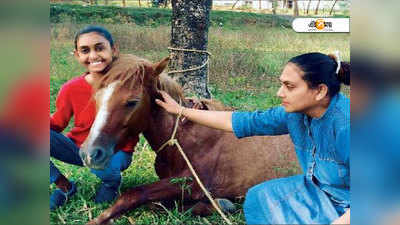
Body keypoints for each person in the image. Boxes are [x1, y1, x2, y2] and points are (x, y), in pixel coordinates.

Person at [155, 52, 350, 224]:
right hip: (318, 192)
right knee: (259, 197)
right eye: (281, 84)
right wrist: (181, 110)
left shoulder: (349, 126)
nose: (279, 93)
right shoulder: (295, 114)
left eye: (289, 86)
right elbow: (242, 121)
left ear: (320, 91)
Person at [50, 25, 138, 210]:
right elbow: (57, 123)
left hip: (116, 151)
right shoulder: (71, 88)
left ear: (113, 50)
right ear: (77, 55)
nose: (93, 55)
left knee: (98, 166)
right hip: (79, 148)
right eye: (85, 50)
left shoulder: (127, 85)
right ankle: (64, 186)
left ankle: (111, 183)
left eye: (99, 48)